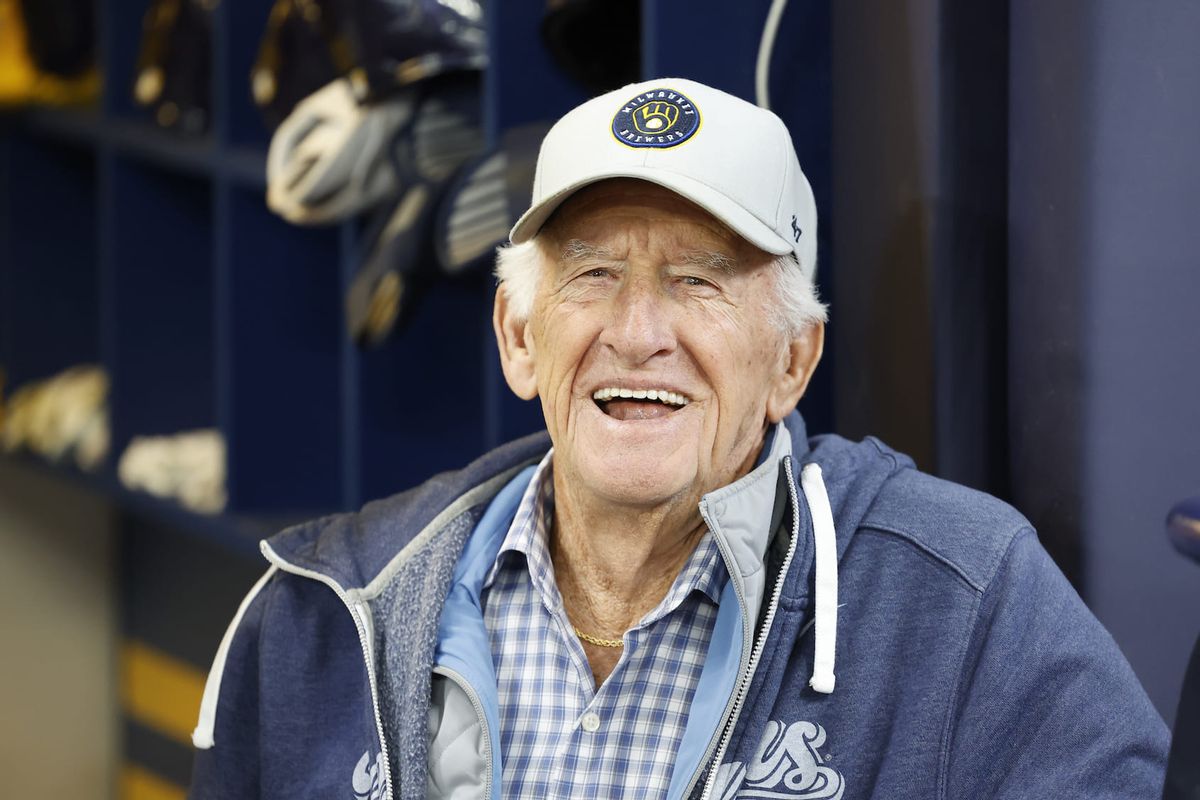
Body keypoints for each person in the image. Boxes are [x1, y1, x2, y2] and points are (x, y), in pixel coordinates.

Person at [188, 78, 1169, 799]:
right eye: (594, 274)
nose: (638, 331)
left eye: (699, 278)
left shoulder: (964, 600)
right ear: (520, 337)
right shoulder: (320, 614)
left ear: (793, 358)